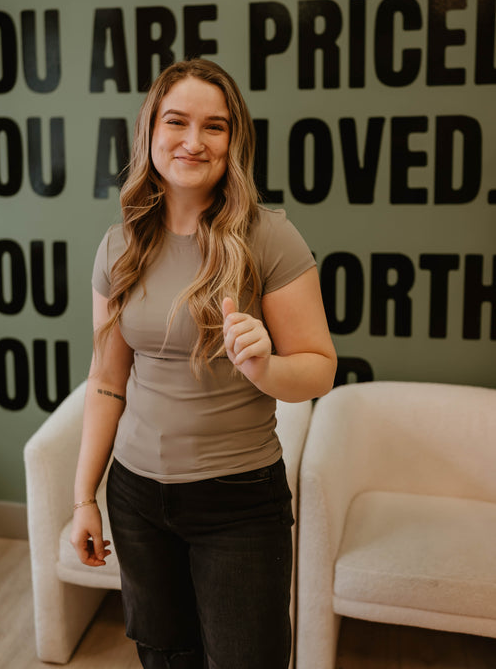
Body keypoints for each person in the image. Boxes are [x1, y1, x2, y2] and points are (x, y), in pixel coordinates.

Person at [70, 58, 337, 669]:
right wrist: (85, 495)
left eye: (214, 127)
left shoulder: (269, 238)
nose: (194, 141)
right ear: (150, 131)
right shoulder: (120, 245)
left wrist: (265, 365)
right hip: (136, 499)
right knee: (165, 656)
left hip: (238, 503)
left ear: (232, 141)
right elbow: (107, 383)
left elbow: (320, 369)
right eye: (177, 121)